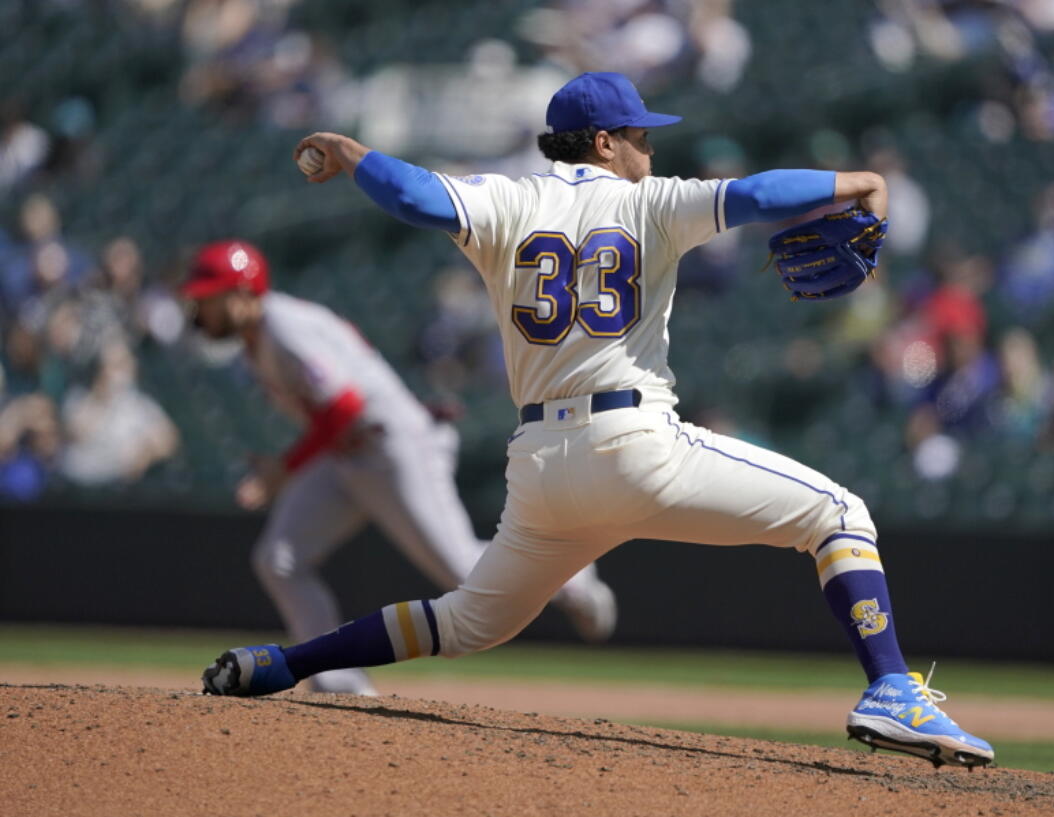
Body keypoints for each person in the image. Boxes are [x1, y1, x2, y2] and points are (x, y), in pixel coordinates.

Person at [201, 71, 994, 768]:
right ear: (607, 142)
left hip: (541, 466)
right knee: (841, 514)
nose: (652, 148)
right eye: (643, 135)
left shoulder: (504, 199)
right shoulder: (653, 201)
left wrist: (352, 155)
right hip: (635, 442)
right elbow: (755, 195)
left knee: (468, 619)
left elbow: (410, 194)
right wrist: (855, 182)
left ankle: (281, 662)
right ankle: (892, 687)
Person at [183, 239, 617, 695]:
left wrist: (284, 468)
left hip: (391, 447)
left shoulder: (285, 328)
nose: (199, 308)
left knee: (465, 575)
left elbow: (346, 405)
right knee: (280, 560)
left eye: (207, 297)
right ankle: (339, 681)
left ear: (241, 293)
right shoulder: (260, 338)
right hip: (347, 452)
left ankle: (571, 578)